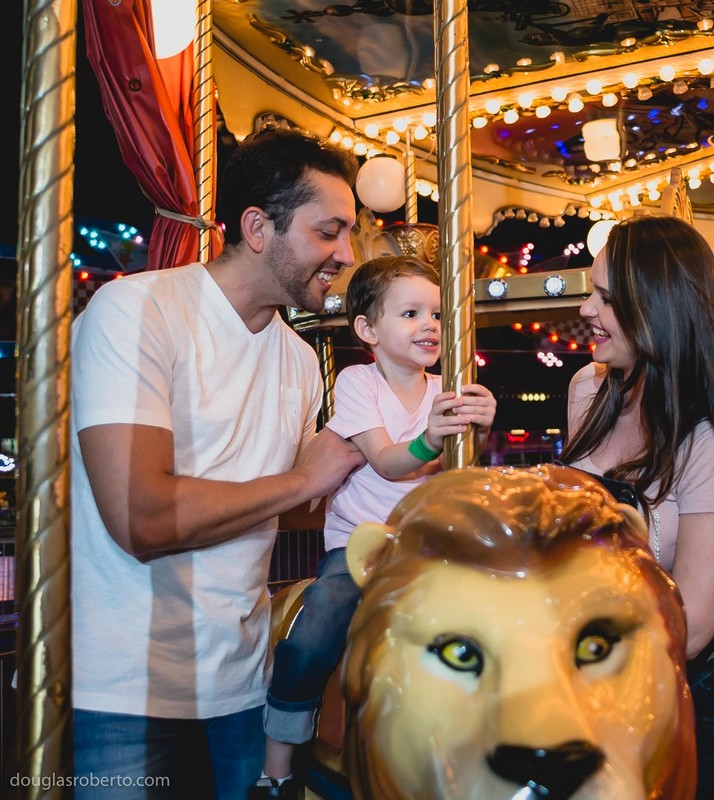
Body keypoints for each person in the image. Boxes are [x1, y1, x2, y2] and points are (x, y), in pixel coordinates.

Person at [71, 126, 368, 800]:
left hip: (242, 685)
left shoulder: (297, 359)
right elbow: (139, 516)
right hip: (126, 689)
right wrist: (304, 478)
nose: (346, 253)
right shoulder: (139, 310)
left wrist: (394, 466)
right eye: (329, 232)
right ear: (259, 228)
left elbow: (284, 504)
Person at [560, 214, 714, 799]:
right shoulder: (590, 390)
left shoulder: (707, 439)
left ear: (659, 309)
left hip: (704, 691)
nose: (587, 309)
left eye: (607, 298)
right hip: (604, 671)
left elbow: (689, 626)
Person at [252, 255, 497, 799]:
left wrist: (479, 421)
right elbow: (387, 461)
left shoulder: (446, 387)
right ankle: (277, 765)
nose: (430, 325)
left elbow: (456, 471)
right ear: (368, 329)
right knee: (318, 623)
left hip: (429, 542)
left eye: (436, 314)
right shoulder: (358, 381)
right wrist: (432, 440)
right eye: (410, 313)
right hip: (361, 545)